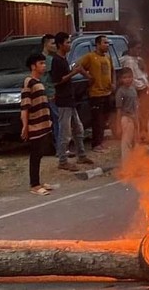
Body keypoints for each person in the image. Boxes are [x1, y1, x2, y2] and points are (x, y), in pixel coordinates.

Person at [51, 32, 90, 171]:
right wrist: (73, 73)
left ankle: (81, 155)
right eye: (67, 42)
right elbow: (57, 81)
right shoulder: (57, 61)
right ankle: (62, 160)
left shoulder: (64, 59)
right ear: (60, 44)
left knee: (78, 129)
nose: (69, 45)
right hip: (64, 101)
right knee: (65, 132)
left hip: (70, 100)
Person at [21, 53, 55, 196]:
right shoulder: (29, 82)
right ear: (33, 66)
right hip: (35, 125)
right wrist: (25, 126)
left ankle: (38, 182)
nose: (44, 66)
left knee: (40, 153)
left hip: (43, 124)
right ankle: (34, 184)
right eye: (41, 63)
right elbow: (25, 107)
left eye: (44, 63)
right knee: (35, 155)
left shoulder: (39, 82)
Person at [79, 35, 115, 153]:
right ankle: (95, 144)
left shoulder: (108, 57)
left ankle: (100, 142)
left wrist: (113, 83)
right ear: (98, 44)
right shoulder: (90, 57)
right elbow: (77, 66)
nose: (107, 45)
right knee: (97, 120)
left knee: (104, 120)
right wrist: (88, 76)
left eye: (108, 43)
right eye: (105, 43)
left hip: (107, 92)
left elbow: (113, 71)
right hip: (96, 94)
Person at [120, 40, 149, 143]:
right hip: (136, 90)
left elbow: (144, 73)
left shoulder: (139, 59)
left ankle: (144, 133)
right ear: (131, 48)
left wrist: (143, 66)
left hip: (143, 88)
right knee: (136, 114)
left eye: (140, 48)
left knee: (144, 113)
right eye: (137, 48)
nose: (139, 50)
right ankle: (137, 136)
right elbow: (129, 77)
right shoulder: (127, 61)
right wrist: (138, 87)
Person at [115, 67, 139, 161]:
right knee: (126, 142)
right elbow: (119, 110)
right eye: (125, 77)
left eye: (129, 77)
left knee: (135, 142)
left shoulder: (133, 90)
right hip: (126, 119)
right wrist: (118, 126)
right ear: (121, 79)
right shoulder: (120, 92)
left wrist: (137, 120)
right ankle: (126, 166)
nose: (127, 79)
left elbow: (136, 106)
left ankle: (133, 164)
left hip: (134, 117)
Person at [40, 34, 58, 153]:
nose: (55, 46)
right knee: (57, 120)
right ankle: (59, 147)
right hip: (50, 94)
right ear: (46, 44)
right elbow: (53, 78)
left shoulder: (41, 59)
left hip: (44, 94)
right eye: (52, 43)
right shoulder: (49, 60)